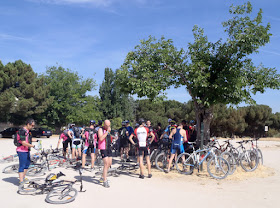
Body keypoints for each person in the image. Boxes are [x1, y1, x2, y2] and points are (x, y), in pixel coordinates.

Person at [17, 118, 40, 190]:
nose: (33, 127)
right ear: (28, 124)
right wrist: (33, 146)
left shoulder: (28, 131)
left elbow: (29, 139)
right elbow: (23, 142)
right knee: (22, 165)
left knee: (27, 164)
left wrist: (37, 140)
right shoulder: (22, 131)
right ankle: (21, 181)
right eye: (32, 125)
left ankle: (23, 177)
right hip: (21, 150)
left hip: (26, 150)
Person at [98, 120, 113, 188]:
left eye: (109, 125)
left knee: (109, 164)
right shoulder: (100, 129)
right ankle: (105, 180)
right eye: (107, 125)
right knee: (106, 163)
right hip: (103, 148)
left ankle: (102, 176)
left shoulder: (109, 130)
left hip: (109, 147)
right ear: (104, 124)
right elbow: (101, 138)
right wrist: (107, 132)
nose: (108, 127)